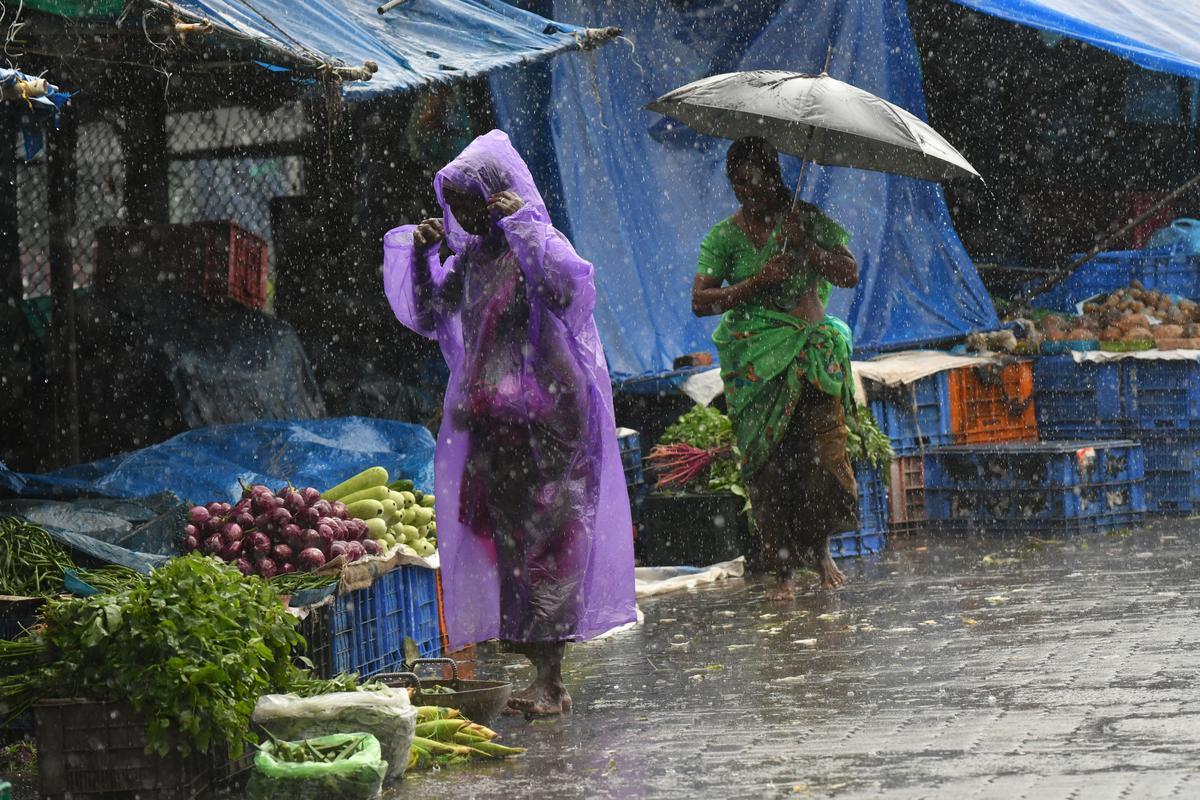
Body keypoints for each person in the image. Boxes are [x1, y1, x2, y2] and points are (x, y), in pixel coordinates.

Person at [383, 130, 637, 715]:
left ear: (496, 193)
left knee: (552, 544)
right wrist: (423, 258)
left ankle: (551, 679)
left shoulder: (536, 242)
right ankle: (542, 675)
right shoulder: (472, 259)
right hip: (497, 432)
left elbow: (569, 289)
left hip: (549, 430)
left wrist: (524, 225)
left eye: (471, 201)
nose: (464, 217)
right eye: (457, 206)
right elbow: (428, 312)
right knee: (512, 547)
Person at [691, 136, 860, 599]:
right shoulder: (724, 238)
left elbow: (849, 272)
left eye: (758, 185)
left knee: (820, 457)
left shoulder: (806, 220)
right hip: (757, 367)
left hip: (811, 358)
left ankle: (821, 552)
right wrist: (753, 283)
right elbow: (700, 302)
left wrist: (811, 252)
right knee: (770, 465)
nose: (750, 195)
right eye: (740, 186)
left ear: (776, 178)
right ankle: (783, 571)